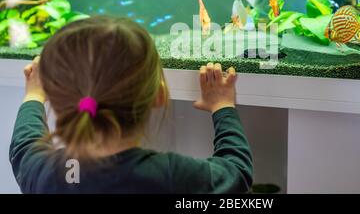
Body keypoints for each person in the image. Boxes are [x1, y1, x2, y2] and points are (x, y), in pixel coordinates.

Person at [9, 16, 253, 193]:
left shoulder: (45, 173)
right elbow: (236, 174)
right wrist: (223, 106)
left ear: (57, 96)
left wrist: (34, 95)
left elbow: (24, 146)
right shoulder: (171, 176)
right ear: (159, 95)